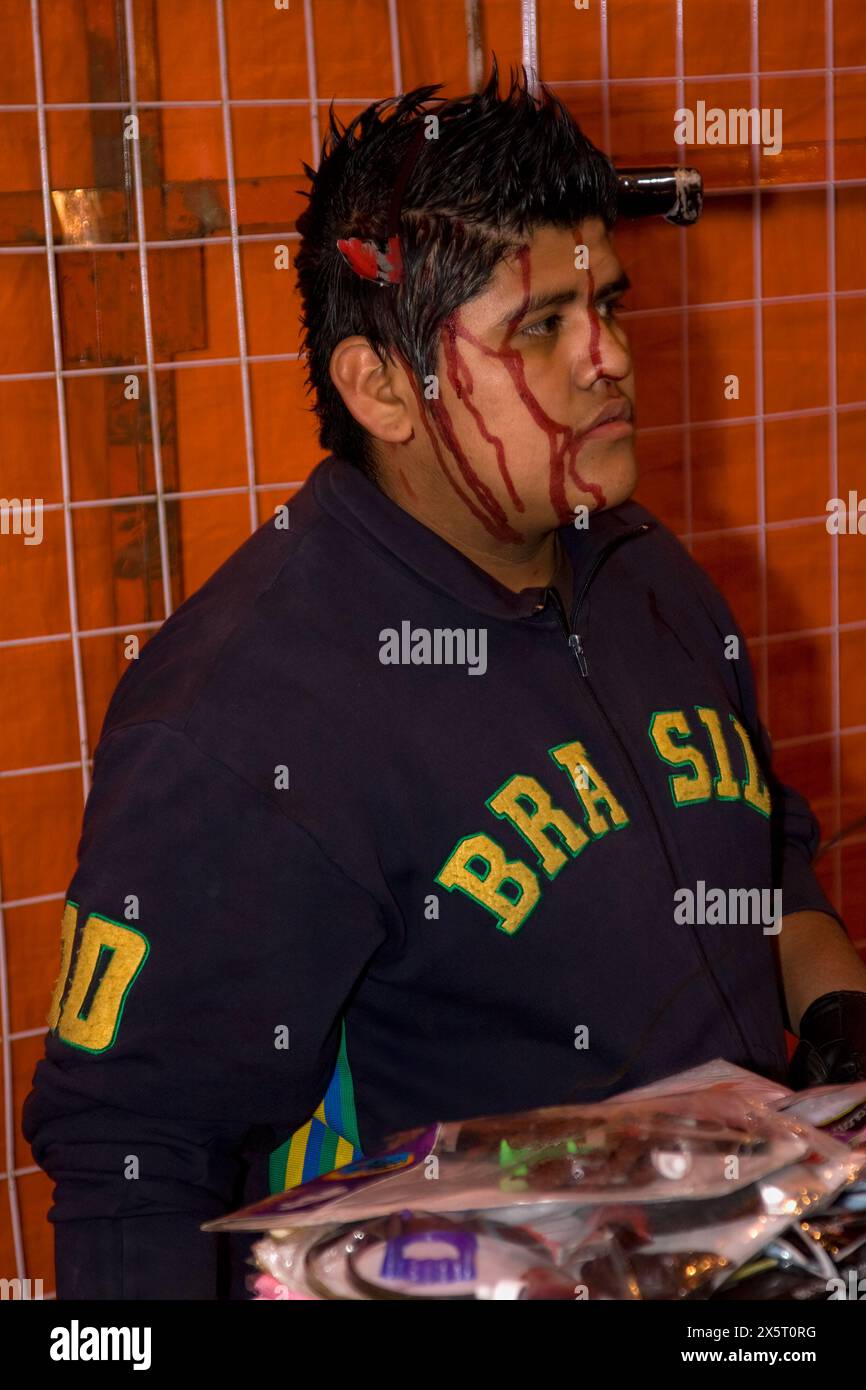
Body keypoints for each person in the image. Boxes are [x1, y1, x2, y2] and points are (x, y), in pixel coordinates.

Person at [24, 66, 866, 1301]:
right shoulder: (244, 713)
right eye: (541, 325)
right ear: (381, 386)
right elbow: (130, 1168)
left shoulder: (647, 572)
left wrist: (837, 1016)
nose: (612, 359)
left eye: (608, 305)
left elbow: (768, 858)